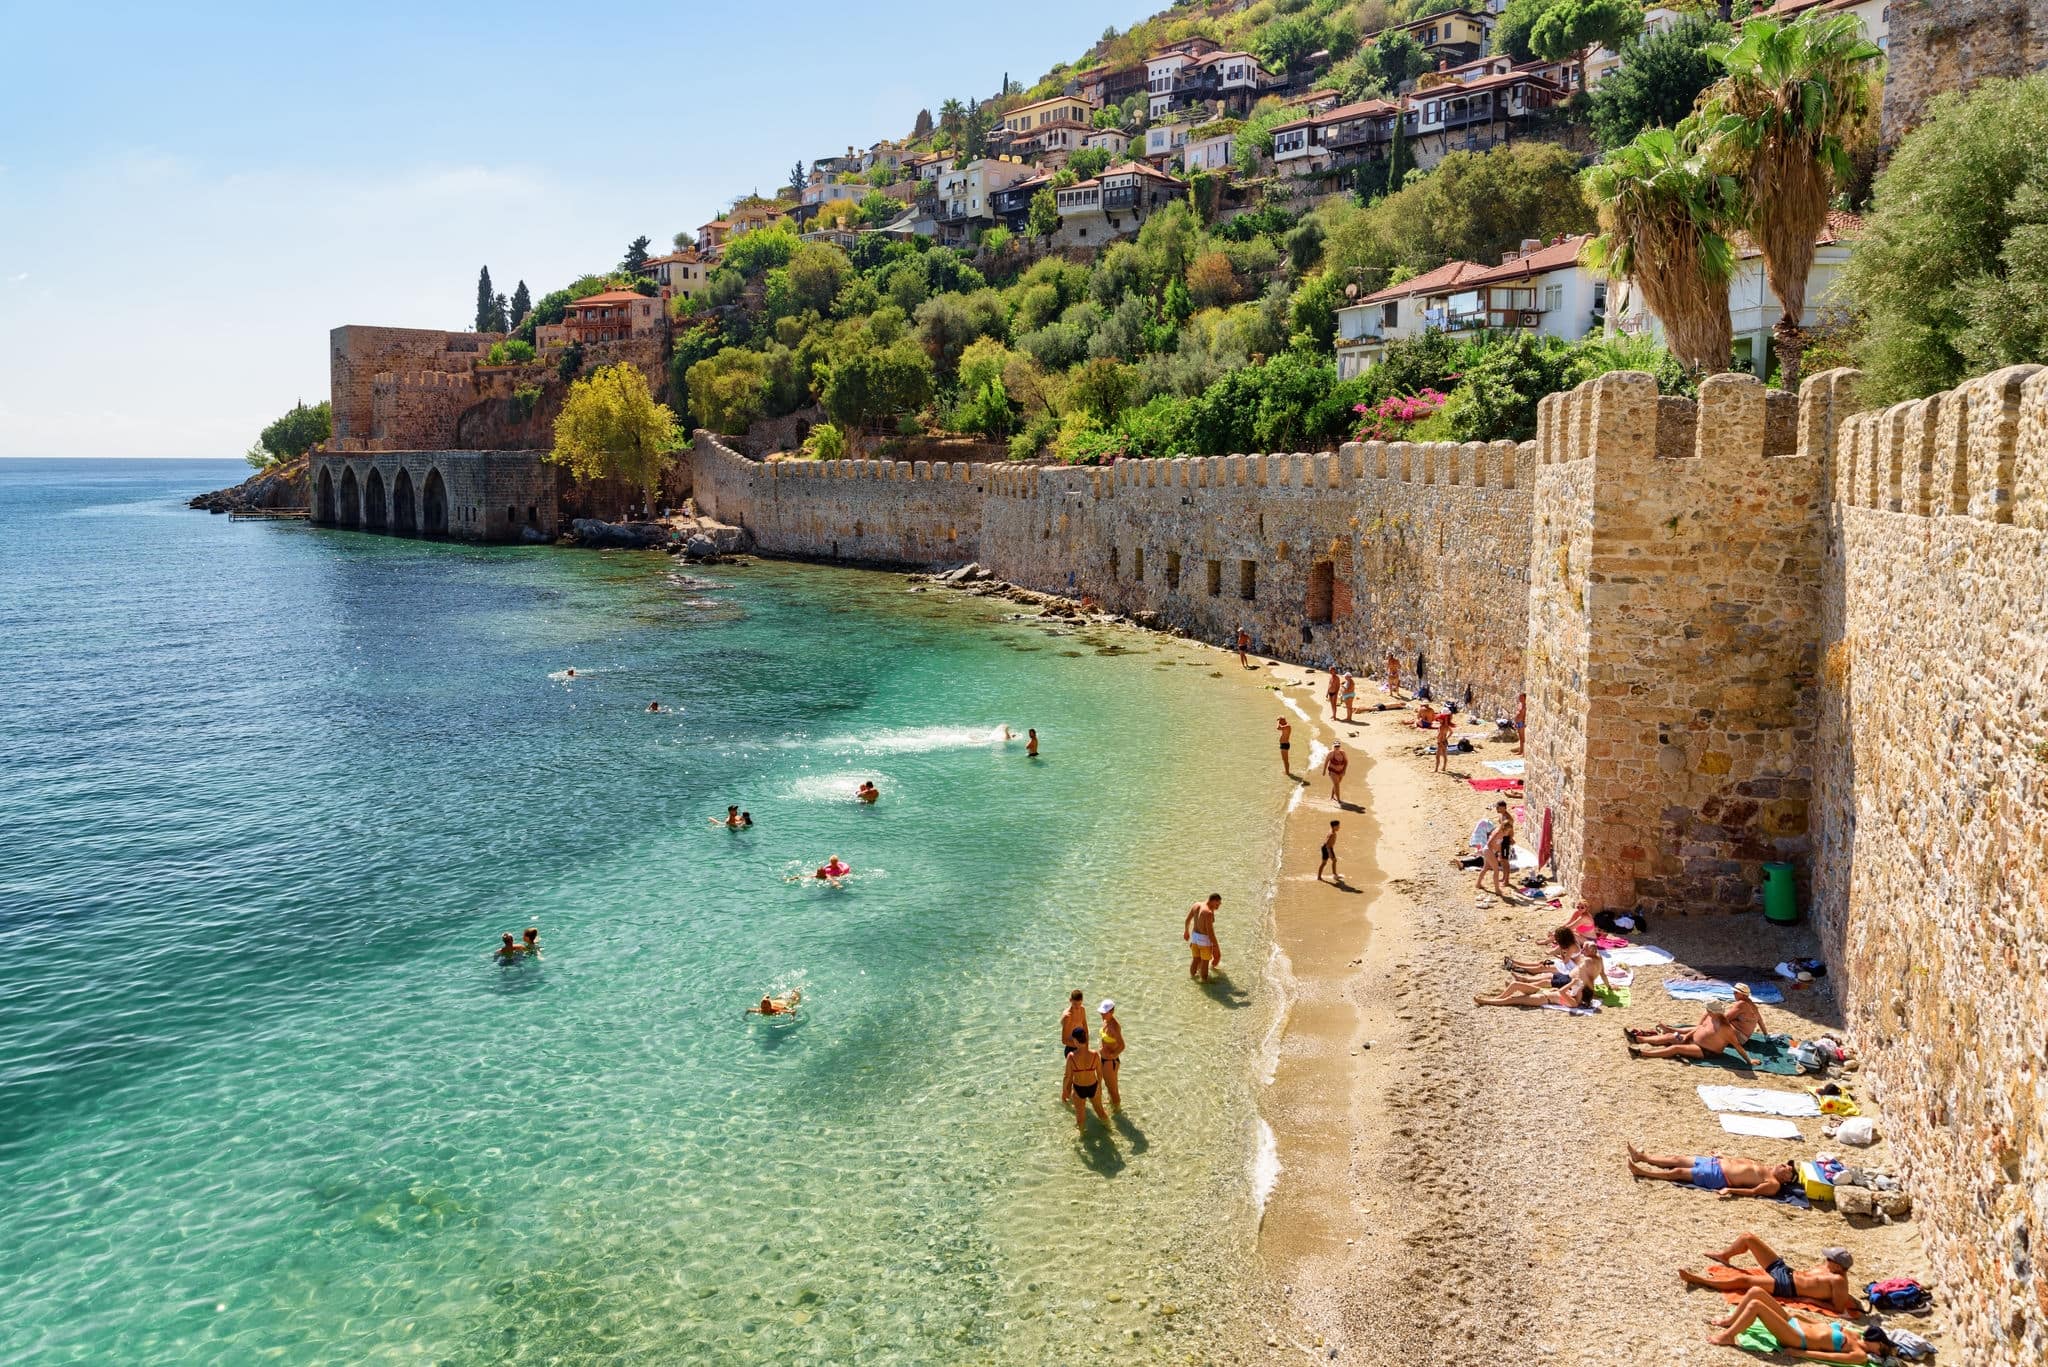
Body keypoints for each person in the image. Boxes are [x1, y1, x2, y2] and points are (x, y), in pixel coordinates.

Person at [1679, 1236, 1861, 1315]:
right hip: (1786, 1271)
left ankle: (1699, 1280)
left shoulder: (1838, 1281)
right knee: (1748, 1238)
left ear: (1837, 1266)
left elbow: (1838, 1308)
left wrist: (1809, 1300)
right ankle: (1724, 1255)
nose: (1825, 1259)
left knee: (1744, 1281)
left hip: (1787, 1287)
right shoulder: (1830, 1267)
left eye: (1829, 1258)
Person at [1707, 1288, 1892, 1361]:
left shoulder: (1859, 1355)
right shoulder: (1856, 1334)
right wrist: (1797, 1316)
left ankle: (1729, 1336)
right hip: (1795, 1323)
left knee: (1756, 1306)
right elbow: (1822, 1325)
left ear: (1878, 1350)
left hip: (1797, 1339)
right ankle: (1729, 1322)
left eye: (1879, 1343)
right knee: (1756, 1292)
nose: (1874, 1339)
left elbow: (1828, 1357)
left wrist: (1799, 1353)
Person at [1627, 1145, 1798, 1199]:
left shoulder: (1774, 1184)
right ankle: (1642, 1157)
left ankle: (1641, 1172)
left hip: (1720, 1176)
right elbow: (1739, 1164)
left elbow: (1753, 1192)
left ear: (1787, 1180)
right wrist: (1724, 1156)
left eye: (1789, 1169)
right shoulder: (1766, 1167)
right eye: (1786, 1164)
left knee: (1678, 1171)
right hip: (1717, 1162)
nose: (1786, 1166)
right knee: (1676, 1158)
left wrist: (1730, 1190)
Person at [1475, 945, 1607, 1008]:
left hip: (1541, 998)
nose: (1579, 989)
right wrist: (1575, 985)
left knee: (1511, 999)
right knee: (1515, 985)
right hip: (1543, 993)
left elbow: (1562, 991)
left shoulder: (1573, 1002)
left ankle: (1487, 1001)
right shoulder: (1575, 994)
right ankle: (1497, 997)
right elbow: (1563, 991)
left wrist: (1572, 984)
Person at [1628, 1002, 1755, 1064]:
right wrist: (1686, 1036)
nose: (1706, 1010)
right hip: (1693, 1039)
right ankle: (1639, 1039)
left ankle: (1642, 1053)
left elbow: (1738, 1046)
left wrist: (1749, 1061)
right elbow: (1698, 1028)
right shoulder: (1710, 1018)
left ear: (1712, 1011)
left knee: (1675, 1048)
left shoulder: (1725, 1029)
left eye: (1707, 1009)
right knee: (1669, 1036)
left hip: (1705, 1050)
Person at [1062, 1027, 1110, 1132]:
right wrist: (1099, 1087)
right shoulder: (1095, 1054)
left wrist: (1065, 1090)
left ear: (1075, 1040)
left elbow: (1067, 1076)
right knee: (1100, 1111)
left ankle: (1082, 1136)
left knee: (1080, 1116)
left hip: (1079, 1088)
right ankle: (1109, 1129)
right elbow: (1099, 1073)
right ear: (1086, 1038)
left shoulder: (1071, 1056)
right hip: (1093, 1085)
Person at [1478, 802, 1516, 898]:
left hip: (1505, 840)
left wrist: (1510, 839)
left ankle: (1506, 880)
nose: (1497, 809)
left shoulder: (1508, 818)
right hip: (1499, 842)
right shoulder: (1501, 817)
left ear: (1504, 808)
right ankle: (1501, 882)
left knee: (1504, 860)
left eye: (1498, 808)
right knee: (1500, 862)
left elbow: (1510, 831)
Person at [1184, 894, 1223, 981]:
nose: (1218, 907)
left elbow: (1187, 920)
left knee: (1195, 960)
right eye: (1217, 904)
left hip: (1194, 937)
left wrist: (1186, 931)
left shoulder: (1196, 905)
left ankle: (1193, 978)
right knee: (1205, 962)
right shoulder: (1208, 912)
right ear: (1213, 901)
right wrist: (1216, 946)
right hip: (1204, 940)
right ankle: (1204, 981)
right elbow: (1210, 932)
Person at [1059, 989, 1087, 1100]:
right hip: (1070, 1048)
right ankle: (1064, 1097)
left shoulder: (1082, 1010)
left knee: (1080, 1075)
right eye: (1075, 1004)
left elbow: (1085, 1027)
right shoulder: (1067, 1016)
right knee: (1069, 1076)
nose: (1077, 1006)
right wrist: (1078, 1046)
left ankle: (1076, 1097)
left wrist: (1085, 1046)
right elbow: (1064, 1040)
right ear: (1070, 1000)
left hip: (1081, 1047)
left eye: (1079, 1004)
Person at [1098, 1000, 1125, 1108]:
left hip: (1110, 1062)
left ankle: (1117, 1111)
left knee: (1113, 1089)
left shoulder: (1114, 1027)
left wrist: (1112, 1055)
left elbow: (1122, 1045)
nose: (1102, 1014)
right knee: (1109, 1086)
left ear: (1112, 1011)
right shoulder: (1105, 1021)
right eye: (1102, 1012)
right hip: (1104, 1060)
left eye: (1105, 1012)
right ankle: (1112, 1104)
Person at [1433, 707, 1455, 773]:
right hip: (1445, 741)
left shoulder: (1441, 727)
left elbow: (1439, 735)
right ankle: (1444, 768)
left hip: (1440, 742)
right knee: (1445, 755)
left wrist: (1439, 741)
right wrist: (1446, 738)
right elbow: (1451, 732)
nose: (1438, 720)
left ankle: (1436, 769)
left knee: (1437, 756)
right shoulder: (1447, 726)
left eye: (1439, 719)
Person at [1514, 691, 1527, 756]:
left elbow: (1524, 715)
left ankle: (1524, 752)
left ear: (1525, 698)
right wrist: (1515, 722)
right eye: (1520, 697)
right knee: (1520, 738)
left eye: (1521, 697)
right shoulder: (1519, 704)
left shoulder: (1525, 705)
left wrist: (1524, 723)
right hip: (1518, 722)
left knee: (1523, 738)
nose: (1520, 698)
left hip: (1521, 722)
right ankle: (1520, 751)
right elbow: (1517, 713)